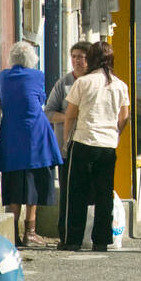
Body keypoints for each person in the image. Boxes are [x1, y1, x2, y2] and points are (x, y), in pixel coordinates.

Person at [61, 41, 130, 252]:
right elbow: (124, 116)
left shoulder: (83, 82)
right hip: (108, 145)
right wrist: (115, 133)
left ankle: (72, 239)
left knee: (76, 193)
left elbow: (71, 115)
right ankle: (101, 240)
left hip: (84, 141)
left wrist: (66, 141)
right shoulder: (119, 85)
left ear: (91, 59)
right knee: (104, 193)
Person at [0, 42, 63, 248]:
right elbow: (40, 98)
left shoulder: (3, 77)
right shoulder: (37, 76)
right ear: (32, 59)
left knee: (13, 181)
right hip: (36, 133)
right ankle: (30, 233)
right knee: (33, 180)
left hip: (12, 134)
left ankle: (11, 232)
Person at [44, 41, 90, 245]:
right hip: (67, 148)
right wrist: (68, 118)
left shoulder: (94, 82)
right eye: (74, 56)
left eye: (82, 56)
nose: (77, 61)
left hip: (91, 144)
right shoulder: (63, 84)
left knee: (90, 193)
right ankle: (67, 236)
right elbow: (48, 113)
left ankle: (89, 234)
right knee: (68, 194)